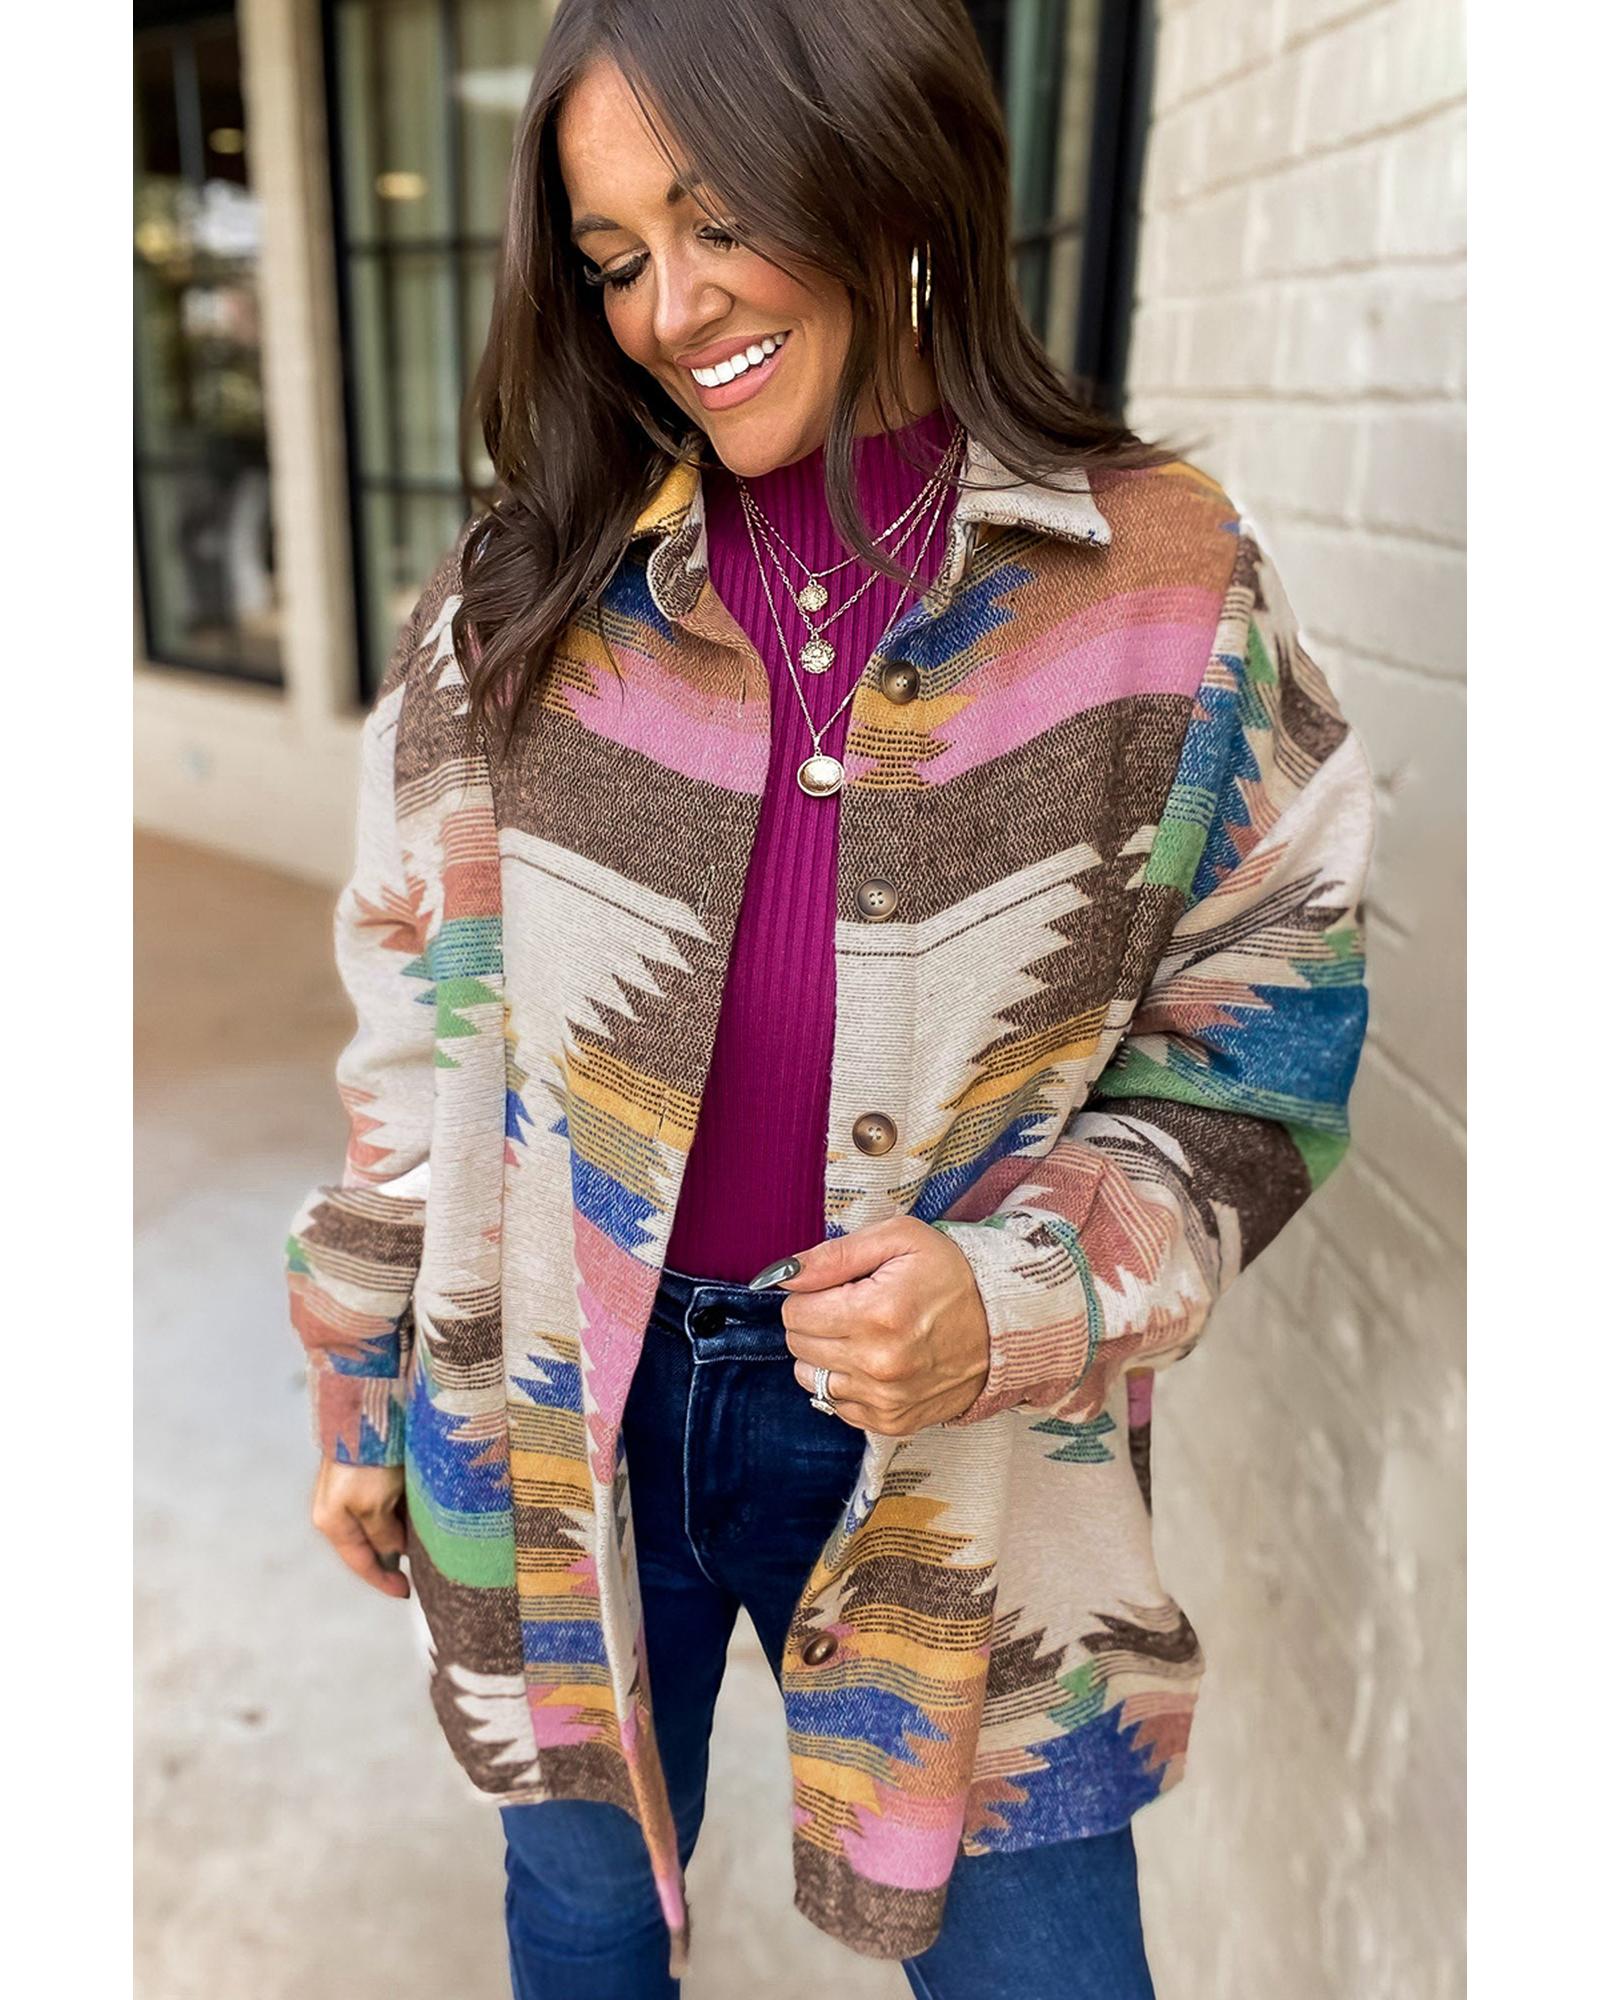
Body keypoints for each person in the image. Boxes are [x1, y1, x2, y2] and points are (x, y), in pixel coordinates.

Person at [284, 2, 1376, 1995]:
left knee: (1039, 1958)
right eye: (614, 256)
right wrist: (359, 1376)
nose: (670, 307)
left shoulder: (1157, 583)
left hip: (962, 1455)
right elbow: (418, 1027)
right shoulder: (517, 599)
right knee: (585, 1914)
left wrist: (1018, 1291)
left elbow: (1265, 1036)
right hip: (559, 1413)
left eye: (719, 221)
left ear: (883, 170)